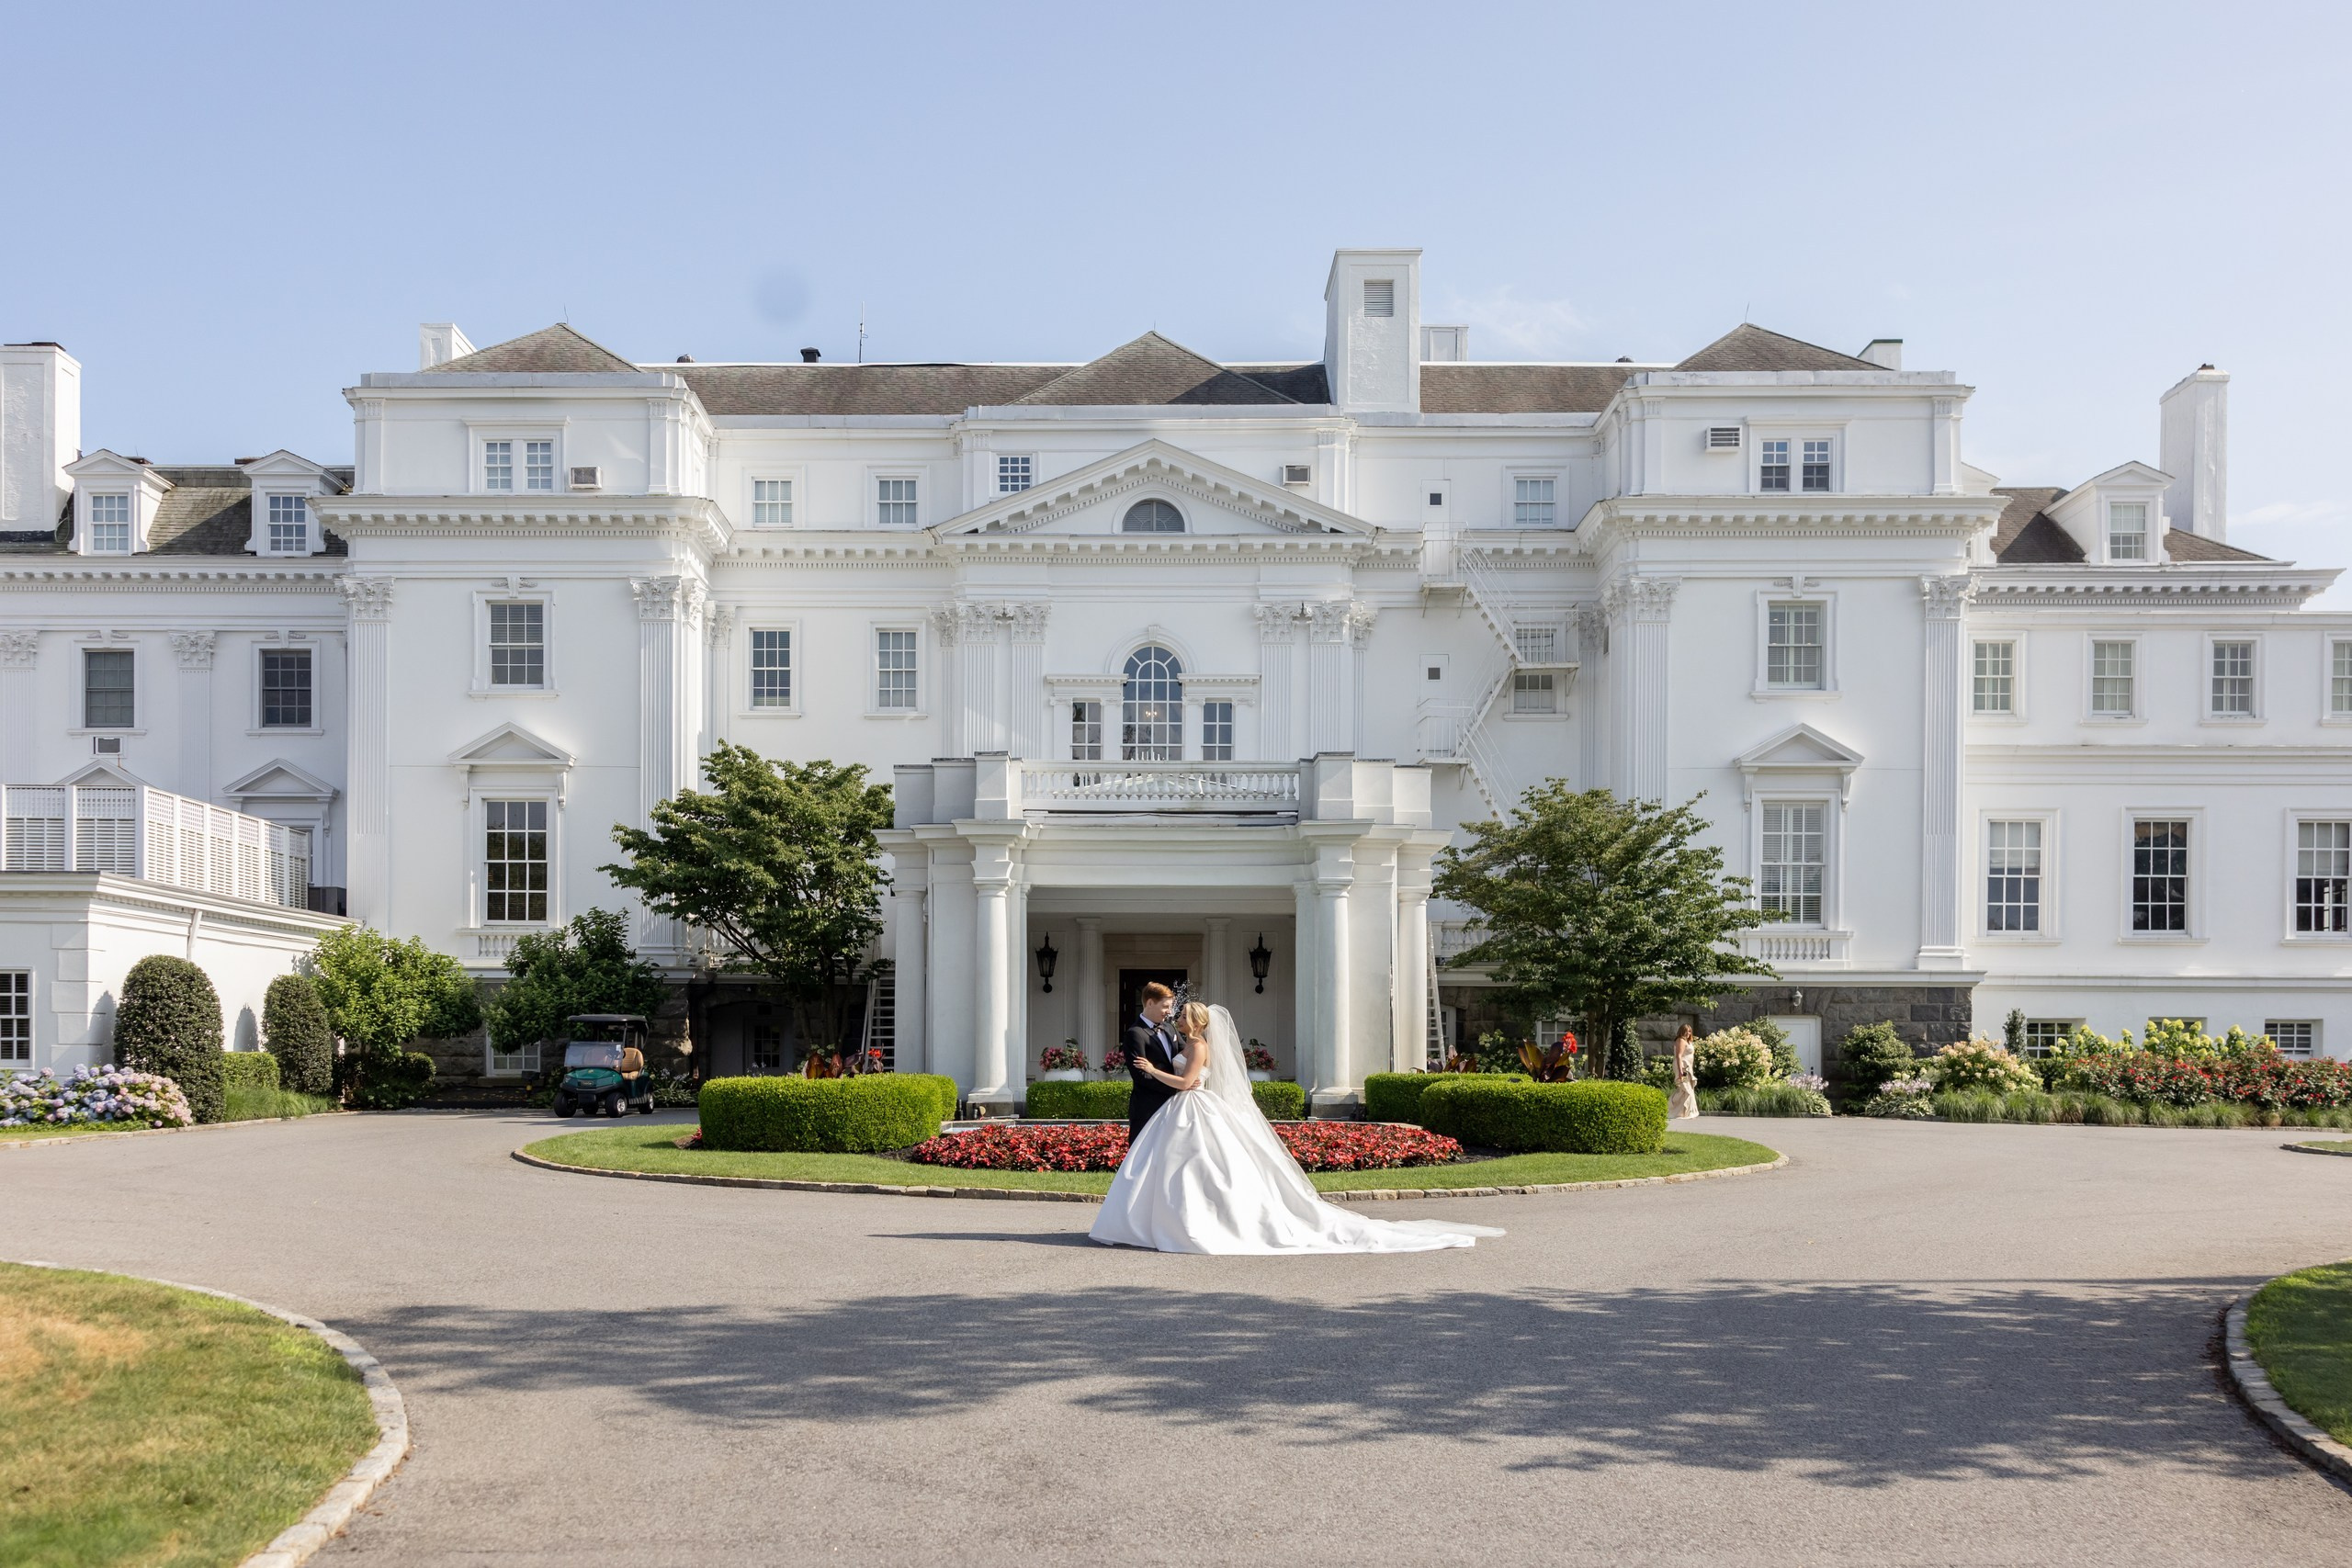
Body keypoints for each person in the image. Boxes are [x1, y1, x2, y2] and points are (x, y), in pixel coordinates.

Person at [1091, 1000, 1504, 1255]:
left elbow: (1187, 1083)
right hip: (1185, 1110)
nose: (1177, 1018)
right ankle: (1166, 1222)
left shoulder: (1197, 1046)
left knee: (1199, 1168)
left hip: (1192, 1106)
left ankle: (1191, 1223)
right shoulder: (1189, 1043)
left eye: (1182, 1016)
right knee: (1183, 1169)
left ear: (1195, 1023)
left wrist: (1151, 1071)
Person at [1123, 982, 1181, 1138]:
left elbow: (1186, 1054)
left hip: (1176, 1107)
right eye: (1165, 1006)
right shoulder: (1135, 1033)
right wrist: (1177, 1087)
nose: (1169, 1011)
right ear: (1150, 1003)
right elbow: (1141, 1076)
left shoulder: (1170, 1028)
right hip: (1148, 1108)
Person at [1668, 1022, 1699, 1120]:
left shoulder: (1687, 1041)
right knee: (1685, 1087)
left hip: (1688, 1068)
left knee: (1687, 1088)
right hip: (1683, 1068)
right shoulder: (1680, 1040)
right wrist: (1680, 1070)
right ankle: (1673, 1109)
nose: (1688, 1033)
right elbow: (1679, 1056)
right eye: (1686, 1031)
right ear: (1682, 1031)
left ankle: (1686, 1112)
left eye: (1689, 1031)